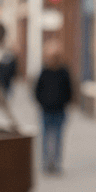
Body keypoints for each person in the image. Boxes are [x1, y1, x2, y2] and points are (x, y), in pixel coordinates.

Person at [33, 43, 74, 175]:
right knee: (47, 137)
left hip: (59, 110)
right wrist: (42, 102)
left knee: (57, 137)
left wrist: (64, 102)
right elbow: (37, 90)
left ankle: (55, 163)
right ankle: (47, 163)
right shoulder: (44, 71)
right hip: (46, 110)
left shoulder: (63, 71)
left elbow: (69, 90)